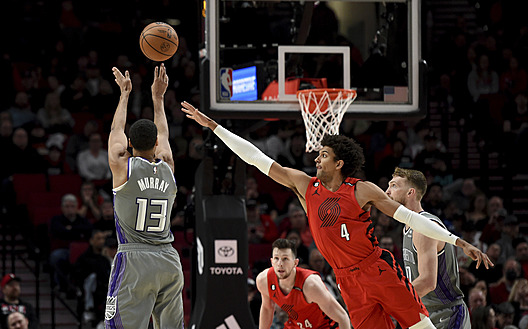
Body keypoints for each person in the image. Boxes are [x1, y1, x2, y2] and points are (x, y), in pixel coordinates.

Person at [181, 101, 493, 329]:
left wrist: (457, 241)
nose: (317, 158)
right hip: (347, 281)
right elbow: (257, 158)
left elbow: (411, 219)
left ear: (340, 163)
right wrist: (215, 127)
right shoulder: (305, 186)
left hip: (378, 270)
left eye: (324, 155)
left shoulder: (362, 190)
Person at [105, 64, 183, 328]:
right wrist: (158, 99)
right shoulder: (168, 166)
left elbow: (115, 133)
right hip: (169, 260)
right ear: (157, 145)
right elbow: (164, 133)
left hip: (135, 260)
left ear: (129, 144)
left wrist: (124, 95)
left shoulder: (122, 167)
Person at [386, 167, 471, 328]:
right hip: (425, 313)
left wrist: (391, 302)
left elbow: (427, 282)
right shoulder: (408, 227)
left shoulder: (423, 227)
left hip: (446, 314)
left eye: (394, 186)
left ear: (410, 192)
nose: (387, 192)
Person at [256, 239, 351, 329]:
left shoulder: (311, 285)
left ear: (295, 263)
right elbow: (267, 308)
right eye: (276, 258)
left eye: (285, 259)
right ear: (271, 261)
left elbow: (342, 317)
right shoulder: (264, 280)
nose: (280, 264)